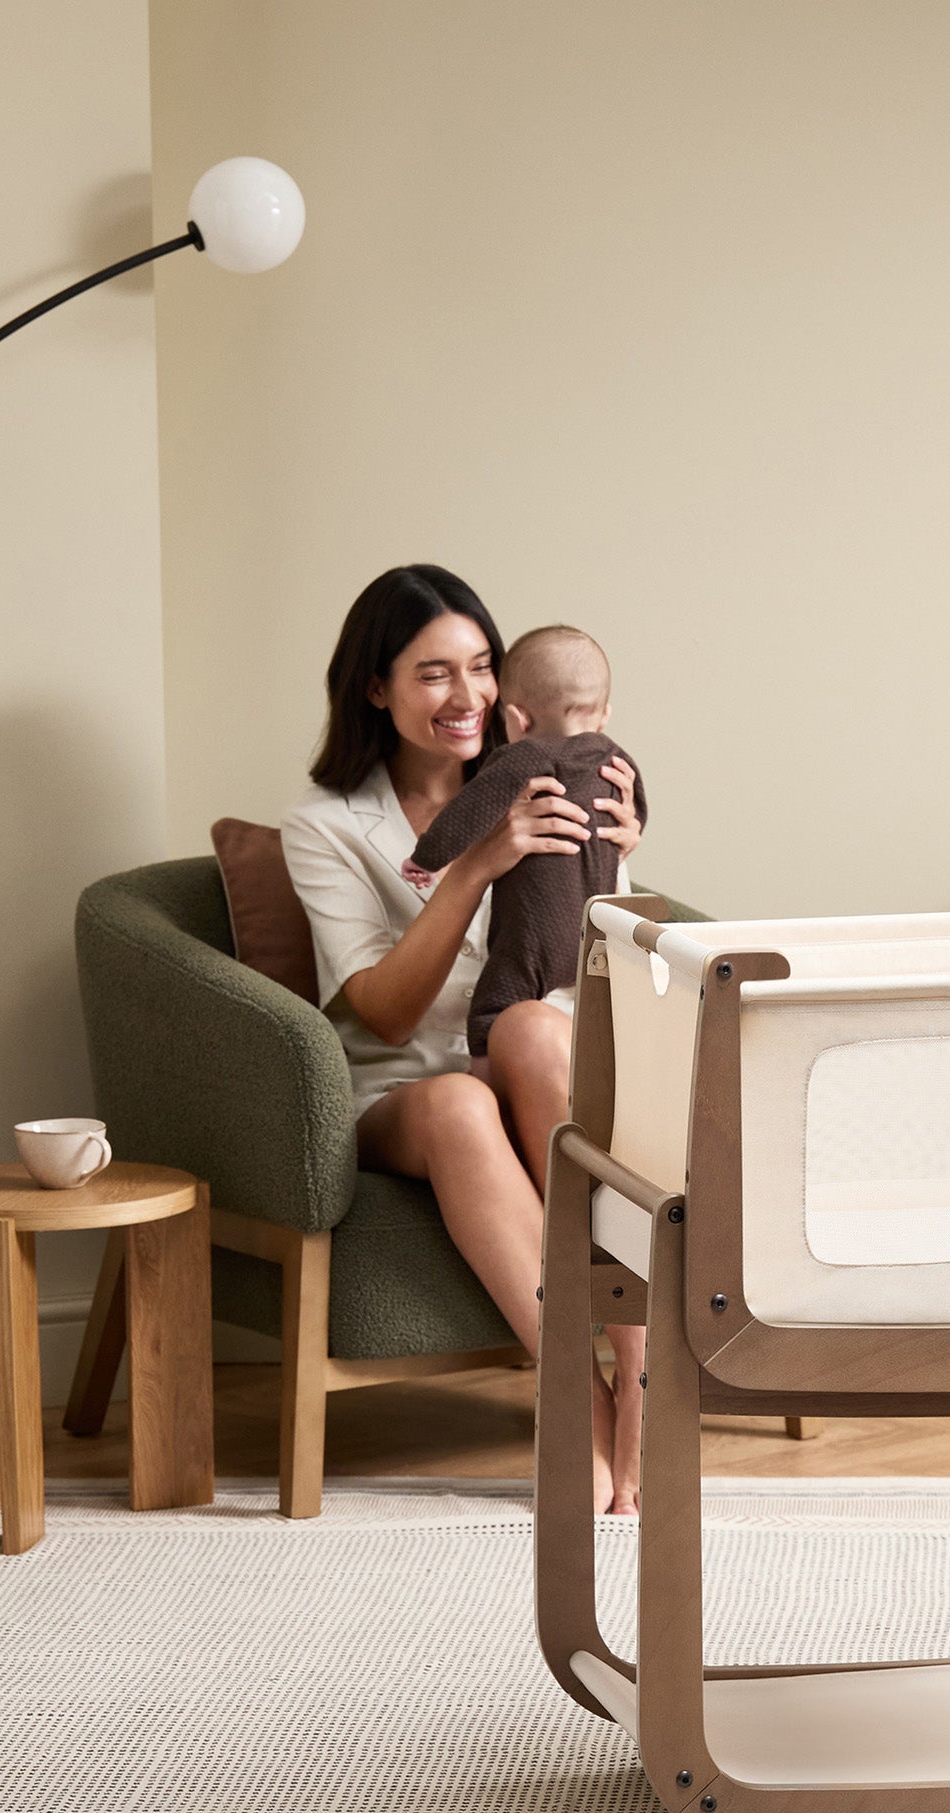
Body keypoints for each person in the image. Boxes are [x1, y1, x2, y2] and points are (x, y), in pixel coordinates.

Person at [280, 565, 645, 1512]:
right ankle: (578, 1400)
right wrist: (475, 865)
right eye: (434, 673)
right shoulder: (324, 829)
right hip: (402, 1090)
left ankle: (641, 1368)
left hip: (533, 1060)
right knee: (456, 1103)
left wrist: (618, 863)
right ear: (377, 688)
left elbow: (586, 961)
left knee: (531, 1031)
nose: (468, 695)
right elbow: (385, 1013)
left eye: (481, 666)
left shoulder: (545, 773)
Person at [408, 624, 647, 1056]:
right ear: (604, 715)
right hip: (591, 946)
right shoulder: (616, 759)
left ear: (517, 719)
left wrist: (427, 857)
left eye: (480, 669)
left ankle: (484, 1071)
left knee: (495, 1010)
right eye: (436, 674)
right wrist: (628, 835)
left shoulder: (523, 757)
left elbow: (469, 812)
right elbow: (637, 810)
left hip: (536, 940)